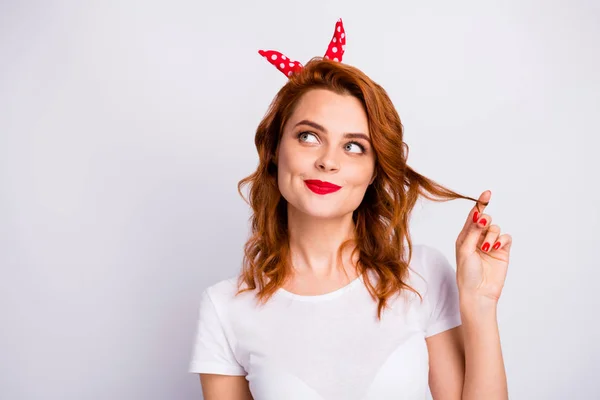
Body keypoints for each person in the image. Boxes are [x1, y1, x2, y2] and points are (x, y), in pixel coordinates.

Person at [188, 18, 511, 400]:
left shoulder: (422, 274)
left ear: (375, 170)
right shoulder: (225, 308)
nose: (328, 161)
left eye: (353, 146)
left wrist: (479, 304)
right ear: (275, 150)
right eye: (308, 136)